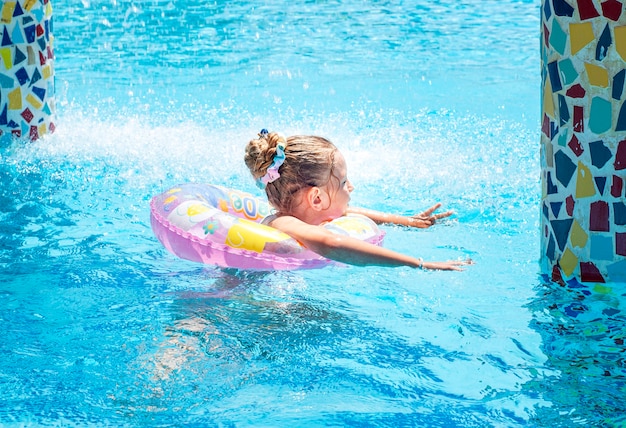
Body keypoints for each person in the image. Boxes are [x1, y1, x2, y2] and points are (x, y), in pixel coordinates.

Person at [244, 129, 471, 271]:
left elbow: (347, 213)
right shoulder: (283, 224)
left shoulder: (300, 213)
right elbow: (331, 243)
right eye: (343, 182)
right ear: (316, 198)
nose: (351, 187)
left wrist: (409, 221)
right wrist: (418, 263)